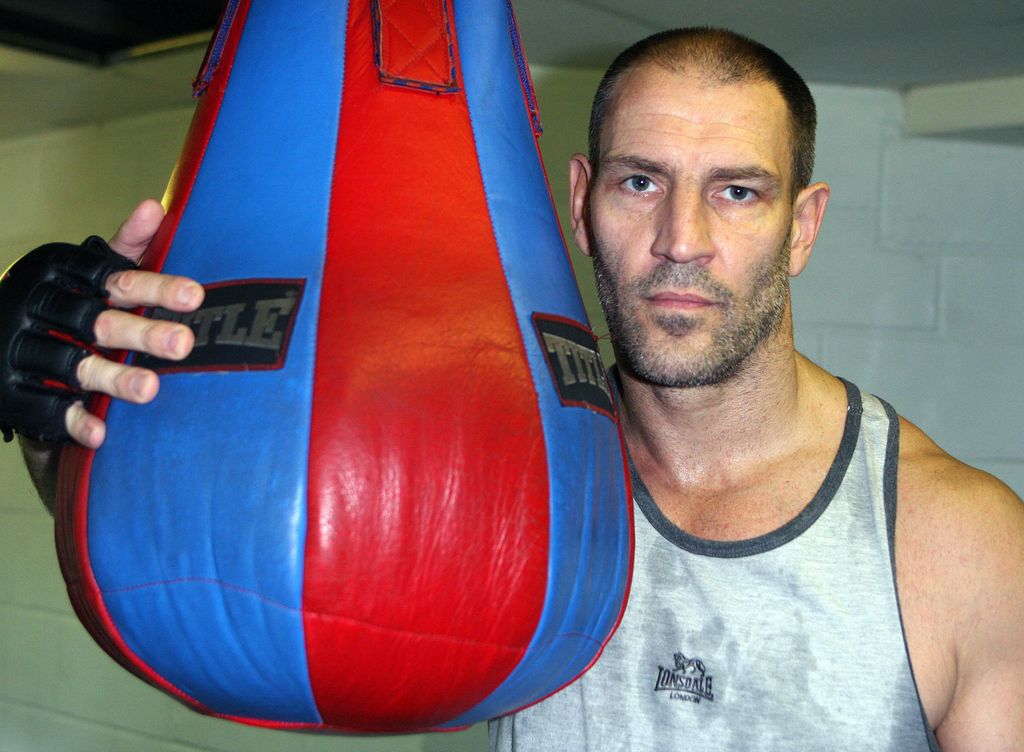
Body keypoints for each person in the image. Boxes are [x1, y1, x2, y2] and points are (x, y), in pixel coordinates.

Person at [12, 26, 1024, 752]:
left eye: (736, 190)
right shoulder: (521, 455)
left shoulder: (956, 540)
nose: (681, 238)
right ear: (579, 203)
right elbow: (200, 547)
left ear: (801, 225)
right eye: (640, 181)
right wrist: (42, 391)